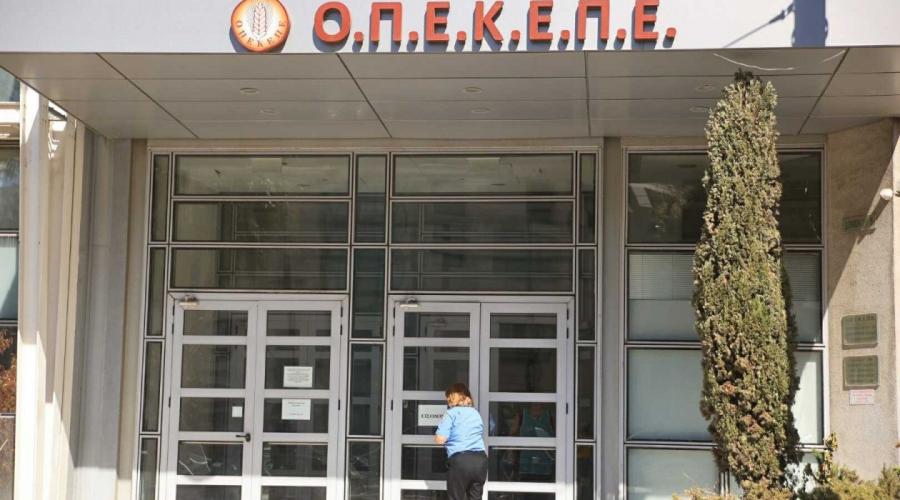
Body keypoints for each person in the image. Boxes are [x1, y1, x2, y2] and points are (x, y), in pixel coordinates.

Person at [434, 382, 487, 500]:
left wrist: (438, 435)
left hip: (460, 460)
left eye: (448, 398)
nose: (447, 401)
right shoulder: (475, 413)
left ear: (452, 397)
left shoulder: (451, 414)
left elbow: (440, 439)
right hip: (480, 460)